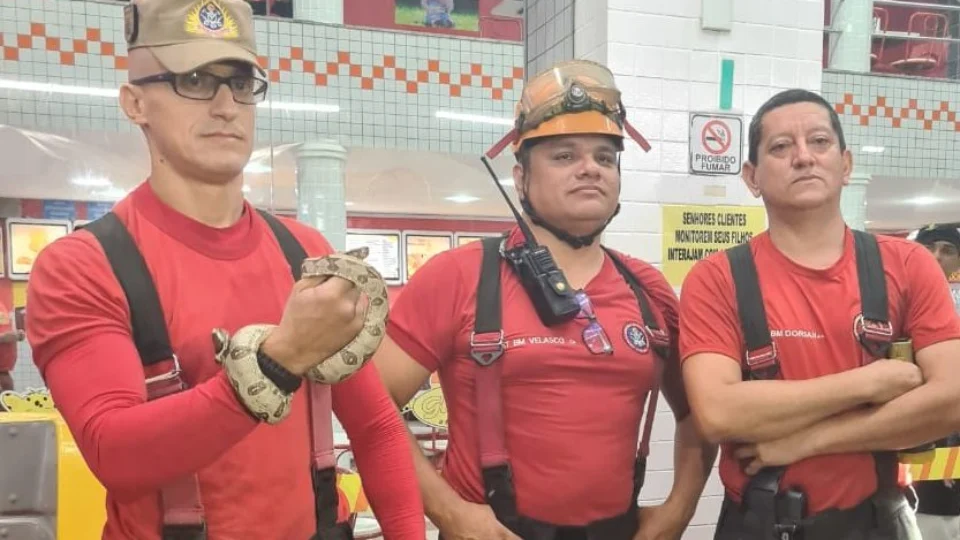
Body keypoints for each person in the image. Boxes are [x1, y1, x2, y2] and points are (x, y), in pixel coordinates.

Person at [24, 0, 424, 538]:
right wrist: (278, 361)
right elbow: (114, 452)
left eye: (239, 83)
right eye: (193, 80)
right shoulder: (82, 266)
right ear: (135, 102)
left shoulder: (302, 252)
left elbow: (376, 428)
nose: (225, 106)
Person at [374, 59, 717, 540]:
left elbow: (703, 411)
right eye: (564, 156)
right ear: (520, 179)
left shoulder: (649, 290)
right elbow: (373, 407)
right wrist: (449, 513)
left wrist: (678, 510)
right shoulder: (458, 276)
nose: (590, 169)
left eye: (605, 157)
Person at [679, 88, 960, 539]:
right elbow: (717, 412)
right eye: (781, 147)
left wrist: (806, 442)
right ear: (752, 177)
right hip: (759, 525)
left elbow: (951, 399)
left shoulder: (908, 265)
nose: (804, 157)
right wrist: (868, 382)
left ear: (845, 165)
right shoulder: (717, 278)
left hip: (877, 524)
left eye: (819, 141)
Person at [911, 224, 960, 540]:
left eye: (947, 250)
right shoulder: (892, 306)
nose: (936, 256)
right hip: (906, 449)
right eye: (929, 247)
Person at [0, 299, 24, 392]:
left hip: (3, 369)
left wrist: (17, 335)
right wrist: (3, 337)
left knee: (8, 396)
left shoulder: (2, 305)